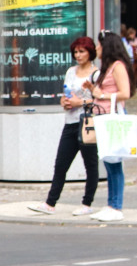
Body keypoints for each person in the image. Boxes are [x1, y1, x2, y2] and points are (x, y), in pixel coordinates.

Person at [28, 36, 100, 216]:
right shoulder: (70, 71)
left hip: (87, 122)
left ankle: (87, 203)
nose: (78, 55)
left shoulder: (96, 73)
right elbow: (66, 93)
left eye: (82, 51)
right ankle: (50, 203)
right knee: (61, 163)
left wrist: (81, 102)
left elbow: (100, 99)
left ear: (90, 53)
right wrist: (65, 101)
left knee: (90, 164)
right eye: (75, 52)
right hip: (70, 122)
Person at [89, 31, 134, 223]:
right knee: (108, 161)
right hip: (103, 116)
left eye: (99, 45)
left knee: (115, 163)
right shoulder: (106, 67)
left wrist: (102, 95)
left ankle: (117, 205)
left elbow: (126, 93)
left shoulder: (117, 66)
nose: (97, 49)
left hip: (112, 116)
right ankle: (110, 204)